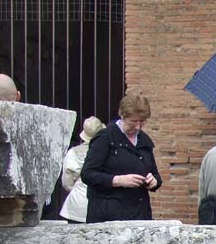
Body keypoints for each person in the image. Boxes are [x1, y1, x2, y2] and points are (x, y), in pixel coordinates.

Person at [81, 93, 162, 223]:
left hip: (139, 214)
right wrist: (118, 180)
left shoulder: (144, 140)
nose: (138, 126)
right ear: (122, 116)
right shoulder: (105, 138)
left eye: (142, 121)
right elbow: (87, 174)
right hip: (108, 216)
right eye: (133, 121)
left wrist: (154, 181)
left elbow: (155, 173)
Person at [59, 116, 105, 223]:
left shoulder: (73, 153)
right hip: (102, 203)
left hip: (78, 204)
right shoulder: (109, 152)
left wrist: (76, 189)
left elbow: (67, 181)